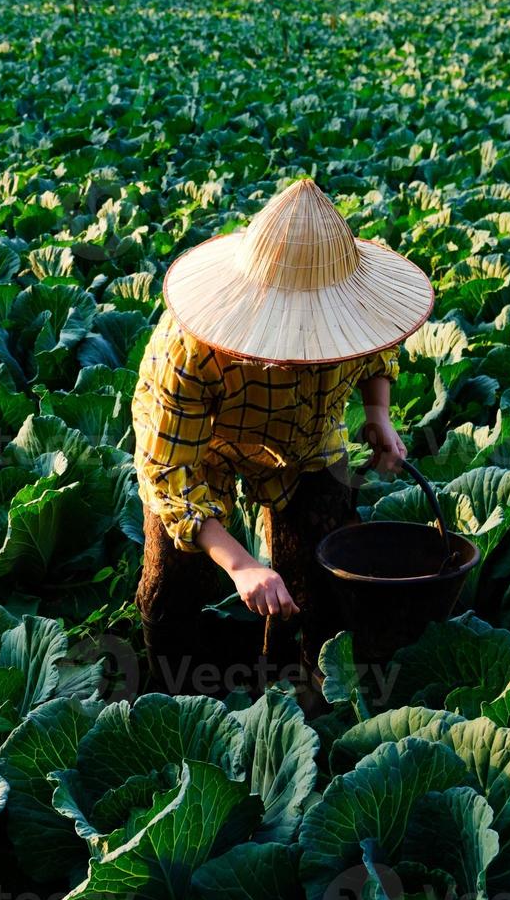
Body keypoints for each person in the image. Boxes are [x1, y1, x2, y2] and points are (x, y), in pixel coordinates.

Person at [131, 177, 436, 692]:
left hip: (309, 440)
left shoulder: (359, 313)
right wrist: (243, 565)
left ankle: (298, 687)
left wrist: (378, 412)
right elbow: (168, 475)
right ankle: (180, 693)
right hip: (203, 448)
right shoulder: (188, 350)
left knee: (320, 577)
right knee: (171, 586)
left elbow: (380, 354)